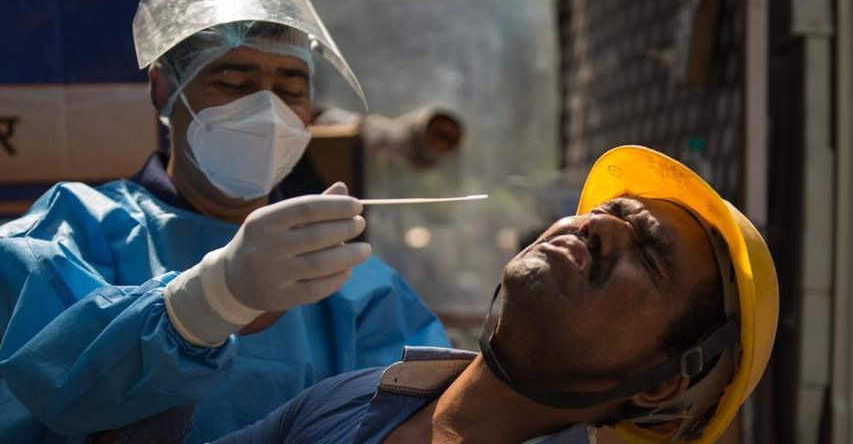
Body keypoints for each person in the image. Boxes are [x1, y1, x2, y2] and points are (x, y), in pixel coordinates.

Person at [0, 0, 449, 442]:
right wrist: (211, 301)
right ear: (164, 88)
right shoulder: (67, 236)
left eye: (291, 89)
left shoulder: (356, 286)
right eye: (234, 83)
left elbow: (414, 421)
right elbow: (53, 383)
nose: (267, 110)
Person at [198, 145, 778, 443]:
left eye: (649, 253)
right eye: (606, 211)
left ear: (662, 384)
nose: (595, 227)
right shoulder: (364, 397)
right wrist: (208, 305)